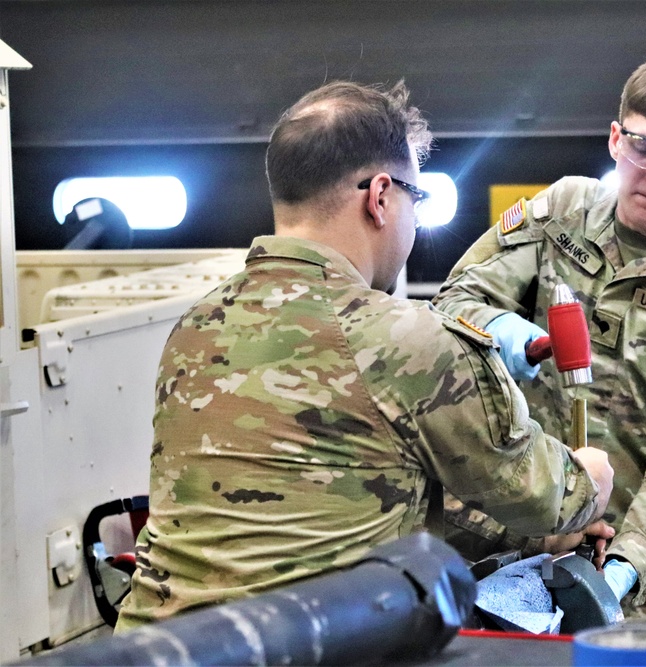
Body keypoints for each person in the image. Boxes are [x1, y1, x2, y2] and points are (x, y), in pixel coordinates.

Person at [115, 80, 614, 631]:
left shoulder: (195, 329)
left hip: (159, 646)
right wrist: (589, 479)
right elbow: (548, 496)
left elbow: (344, 492)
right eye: (414, 199)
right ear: (379, 196)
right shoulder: (407, 339)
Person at [433, 50, 646, 629]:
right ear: (616, 138)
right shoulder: (561, 212)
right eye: (645, 147)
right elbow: (453, 306)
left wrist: (611, 578)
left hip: (644, 593)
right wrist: (514, 336)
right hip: (515, 558)